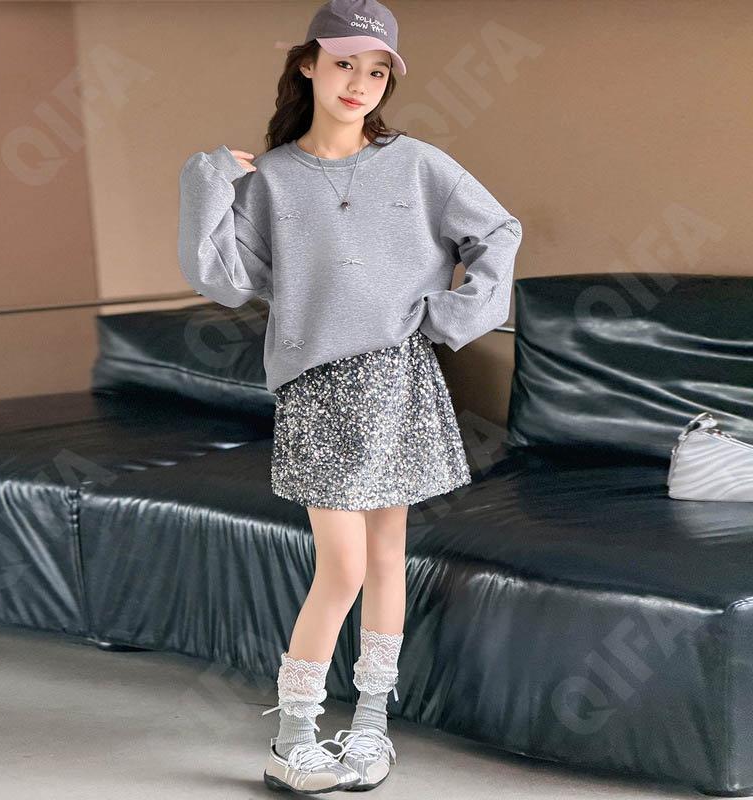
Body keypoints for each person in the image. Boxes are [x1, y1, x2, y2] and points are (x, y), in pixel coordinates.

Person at [177, 0, 523, 792]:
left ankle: (370, 729)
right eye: (343, 64)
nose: (359, 84)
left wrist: (450, 315)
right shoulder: (271, 179)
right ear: (307, 64)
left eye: (375, 71)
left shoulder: (417, 163)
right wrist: (208, 183)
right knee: (342, 566)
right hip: (317, 388)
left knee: (388, 557)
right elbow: (221, 278)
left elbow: (498, 233)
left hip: (399, 380)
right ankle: (292, 737)